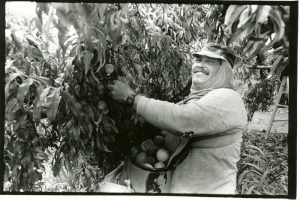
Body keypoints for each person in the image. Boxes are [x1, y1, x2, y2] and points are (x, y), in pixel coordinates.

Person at [108, 43, 247, 194]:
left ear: (224, 71)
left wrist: (132, 98)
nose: (200, 65)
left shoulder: (228, 98)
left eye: (210, 61)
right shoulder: (197, 99)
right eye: (198, 60)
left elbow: (184, 119)